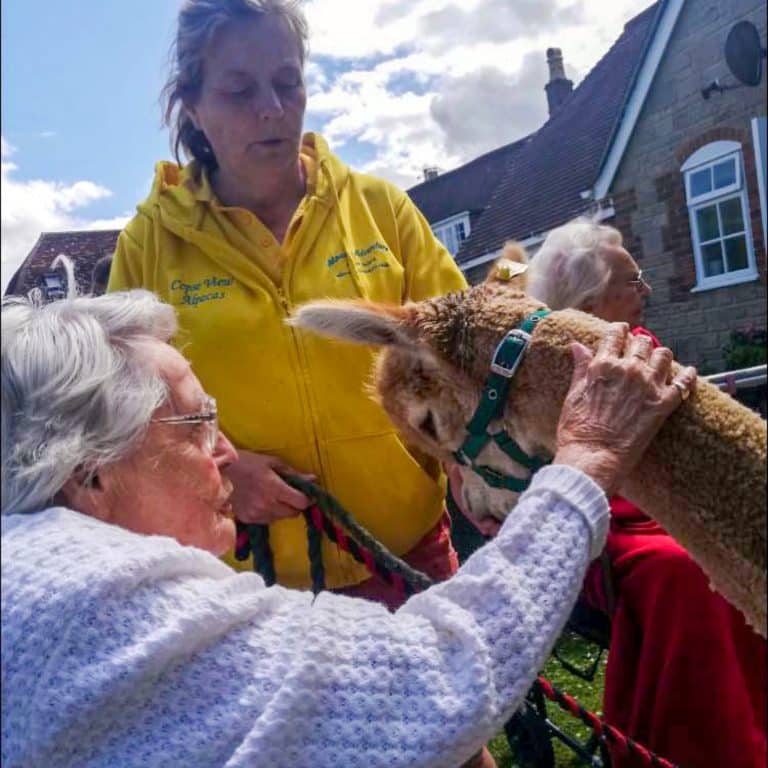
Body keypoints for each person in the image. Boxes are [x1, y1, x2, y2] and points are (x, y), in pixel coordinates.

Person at [1, 289, 693, 768]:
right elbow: (436, 682)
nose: (227, 453)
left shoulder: (33, 568)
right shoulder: (95, 603)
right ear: (89, 473)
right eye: (196, 422)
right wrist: (588, 458)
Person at [106, 0, 467, 611]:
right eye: (239, 89)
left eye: (286, 82)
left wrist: (467, 454)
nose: (271, 109)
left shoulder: (381, 209)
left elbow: (461, 344)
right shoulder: (149, 244)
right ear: (193, 107)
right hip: (243, 582)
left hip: (409, 556)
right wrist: (223, 469)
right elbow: (121, 413)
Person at [526, 216, 767, 768]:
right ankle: (705, 747)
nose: (646, 292)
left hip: (674, 506)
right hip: (602, 524)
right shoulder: (546, 367)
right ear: (589, 300)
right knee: (683, 568)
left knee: (738, 541)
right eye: (632, 282)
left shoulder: (646, 346)